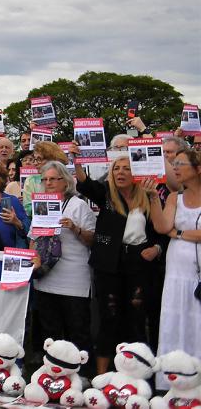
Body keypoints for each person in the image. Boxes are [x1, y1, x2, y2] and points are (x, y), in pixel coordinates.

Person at [79, 155, 165, 373]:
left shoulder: (150, 196)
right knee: (109, 318)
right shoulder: (106, 195)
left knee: (136, 318)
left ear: (136, 172)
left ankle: (137, 376)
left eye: (126, 168)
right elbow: (86, 185)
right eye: (116, 168)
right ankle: (101, 378)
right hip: (108, 264)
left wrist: (156, 249)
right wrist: (76, 159)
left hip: (139, 263)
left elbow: (163, 230)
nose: (120, 172)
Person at [30, 161, 96, 357]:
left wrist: (75, 228)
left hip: (73, 280)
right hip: (46, 278)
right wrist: (34, 260)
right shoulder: (41, 204)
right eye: (45, 179)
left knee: (77, 330)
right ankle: (51, 370)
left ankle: (81, 372)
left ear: (65, 181)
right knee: (50, 331)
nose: (48, 183)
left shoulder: (79, 205)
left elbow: (92, 240)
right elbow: (33, 238)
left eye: (53, 179)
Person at [147, 149, 201, 376]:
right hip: (176, 269)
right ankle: (172, 376)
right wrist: (152, 198)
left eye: (181, 163)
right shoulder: (173, 197)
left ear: (197, 169)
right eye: (174, 163)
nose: (175, 168)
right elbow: (161, 227)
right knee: (174, 317)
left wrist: (178, 232)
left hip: (197, 272)